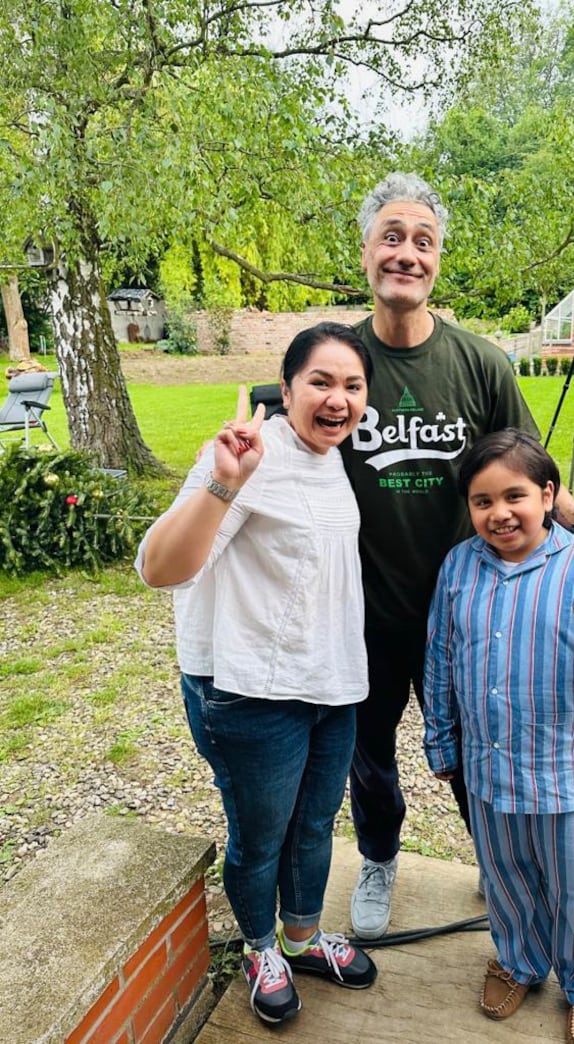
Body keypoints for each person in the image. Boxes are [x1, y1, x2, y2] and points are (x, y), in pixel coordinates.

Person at [339, 171, 574, 940]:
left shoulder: (480, 364)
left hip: (471, 609)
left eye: (423, 242)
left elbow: (534, 474)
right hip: (362, 607)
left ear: (438, 260)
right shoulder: (338, 365)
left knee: (474, 747)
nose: (407, 253)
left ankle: (498, 860)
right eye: (392, 237)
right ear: (366, 251)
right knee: (367, 753)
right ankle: (378, 857)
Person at [135, 323, 378, 1027]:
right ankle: (260, 946)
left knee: (313, 828)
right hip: (250, 693)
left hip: (329, 685)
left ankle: (301, 938)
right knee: (260, 835)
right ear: (288, 384)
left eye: (352, 385)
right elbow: (159, 569)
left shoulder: (333, 455)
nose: (338, 399)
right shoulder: (248, 454)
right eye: (321, 382)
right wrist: (221, 481)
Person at [423, 429, 574, 1044]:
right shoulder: (458, 567)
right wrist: (441, 742)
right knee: (505, 876)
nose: (499, 514)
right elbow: (441, 657)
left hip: (565, 771)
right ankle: (520, 958)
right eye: (482, 501)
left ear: (548, 495)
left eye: (515, 496)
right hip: (488, 769)